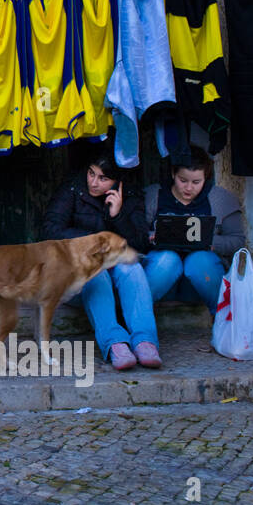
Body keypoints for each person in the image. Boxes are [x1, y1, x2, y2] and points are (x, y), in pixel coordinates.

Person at [40, 153, 160, 370]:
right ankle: (115, 343)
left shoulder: (130, 195)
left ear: (116, 181)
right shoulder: (73, 190)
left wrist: (118, 215)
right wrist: (98, 245)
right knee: (97, 271)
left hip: (122, 281)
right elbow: (50, 230)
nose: (93, 182)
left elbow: (141, 244)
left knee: (130, 266)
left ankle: (145, 342)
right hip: (78, 280)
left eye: (103, 178)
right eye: (91, 173)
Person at [143, 147, 247, 315]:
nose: (189, 188)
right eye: (183, 180)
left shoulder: (220, 199)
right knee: (167, 260)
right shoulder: (153, 195)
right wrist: (153, 237)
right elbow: (133, 234)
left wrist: (210, 242)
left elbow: (237, 240)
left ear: (206, 178)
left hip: (204, 280)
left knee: (199, 260)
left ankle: (224, 321)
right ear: (172, 174)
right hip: (160, 276)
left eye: (196, 182)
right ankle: (137, 321)